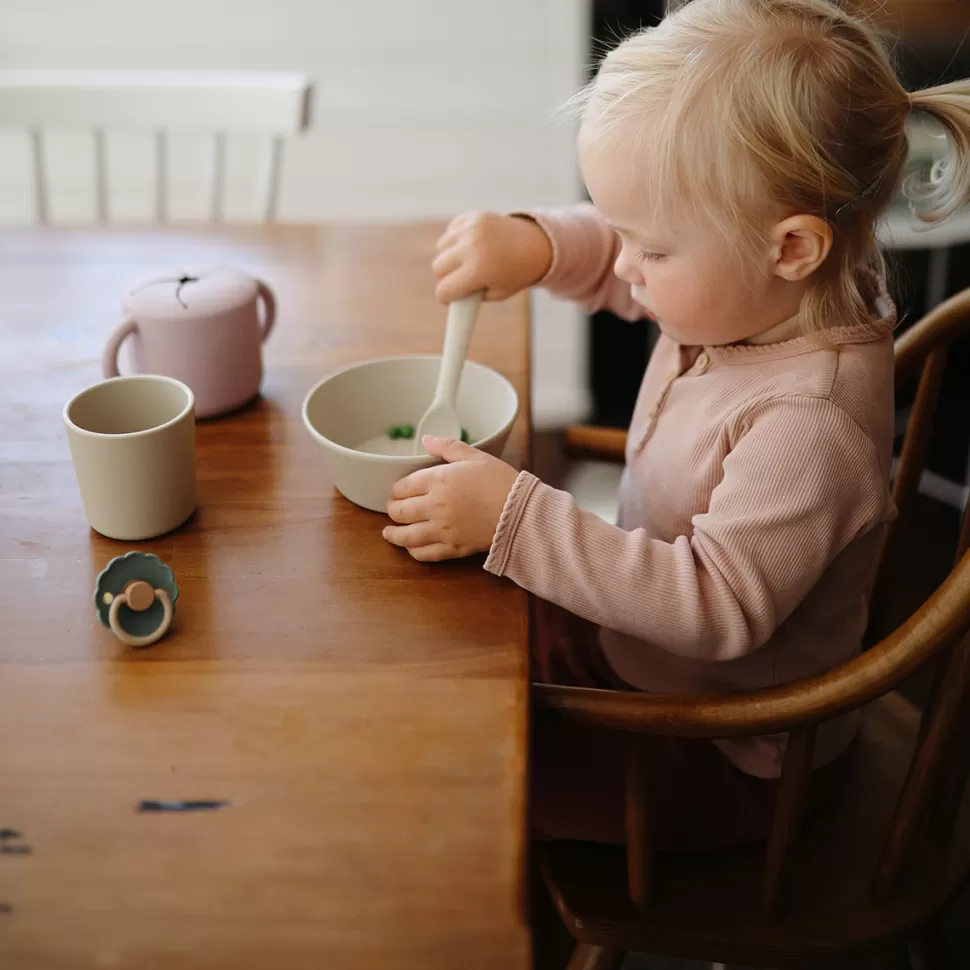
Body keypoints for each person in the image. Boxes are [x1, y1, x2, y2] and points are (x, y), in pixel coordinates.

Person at [382, 0, 970, 850]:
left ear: (792, 249)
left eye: (648, 249)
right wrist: (541, 246)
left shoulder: (809, 422)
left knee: (456, 776)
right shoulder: (767, 288)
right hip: (642, 654)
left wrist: (518, 517)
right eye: (621, 234)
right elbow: (653, 257)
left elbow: (714, 607)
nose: (627, 267)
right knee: (443, 646)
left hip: (727, 749)